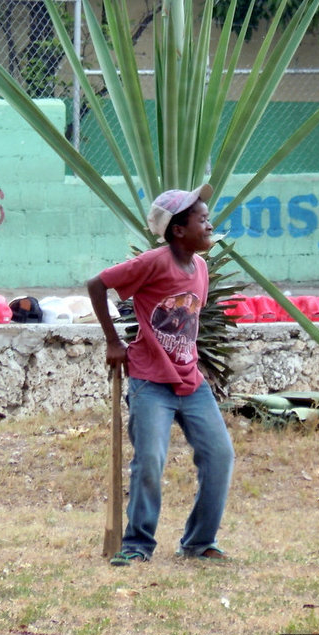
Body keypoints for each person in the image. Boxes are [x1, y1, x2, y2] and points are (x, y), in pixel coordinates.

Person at [87, 184, 234, 566]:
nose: (209, 224)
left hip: (190, 381)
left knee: (219, 455)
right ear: (178, 230)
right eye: (202, 220)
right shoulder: (153, 261)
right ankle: (137, 544)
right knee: (149, 460)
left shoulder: (200, 267)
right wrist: (113, 341)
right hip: (150, 380)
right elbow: (97, 284)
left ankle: (199, 542)